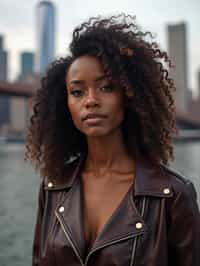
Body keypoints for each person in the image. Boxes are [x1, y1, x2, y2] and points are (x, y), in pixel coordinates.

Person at [26, 14, 200, 266]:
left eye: (106, 87)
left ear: (129, 96)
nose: (90, 100)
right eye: (77, 92)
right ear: (65, 104)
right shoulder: (53, 186)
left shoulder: (173, 196)